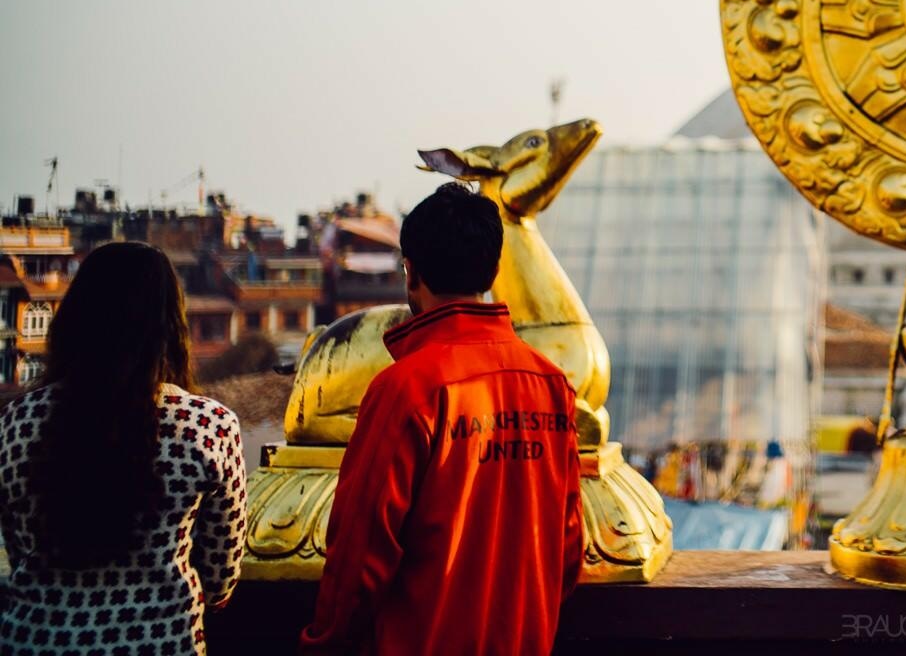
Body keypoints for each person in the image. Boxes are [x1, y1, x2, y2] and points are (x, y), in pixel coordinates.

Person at [300, 183, 584, 656]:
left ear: (410, 272)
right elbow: (567, 551)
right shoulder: (552, 386)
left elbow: (358, 558)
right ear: (493, 270)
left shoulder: (405, 390)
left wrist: (321, 644)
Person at [0, 242, 246, 656]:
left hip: (35, 639)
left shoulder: (16, 424)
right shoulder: (208, 427)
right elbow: (220, 578)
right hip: (161, 642)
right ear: (169, 325)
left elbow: (19, 546)